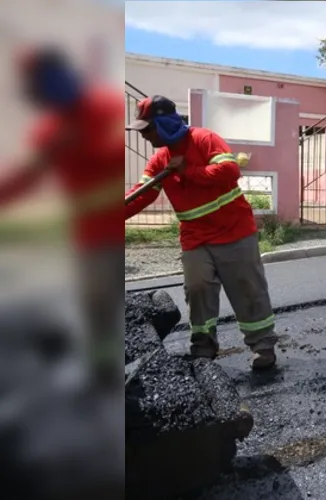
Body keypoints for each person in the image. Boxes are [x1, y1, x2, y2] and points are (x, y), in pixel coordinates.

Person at [0, 46, 124, 392]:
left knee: (114, 304)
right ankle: (105, 377)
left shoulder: (107, 108)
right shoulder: (49, 132)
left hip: (118, 230)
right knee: (95, 307)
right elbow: (26, 176)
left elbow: (115, 155)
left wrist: (78, 143)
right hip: (91, 238)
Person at [124, 95, 279, 371]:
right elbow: (140, 195)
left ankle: (263, 346)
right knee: (197, 289)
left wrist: (187, 170)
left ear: (165, 124)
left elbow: (229, 171)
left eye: (148, 129)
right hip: (196, 238)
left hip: (234, 231)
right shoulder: (160, 160)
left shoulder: (205, 139)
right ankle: (204, 348)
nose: (145, 136)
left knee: (248, 289)